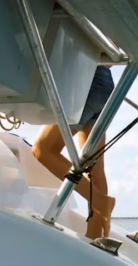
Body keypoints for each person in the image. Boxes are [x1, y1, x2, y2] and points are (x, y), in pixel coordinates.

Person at [32, 65, 116, 240]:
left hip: (85, 81)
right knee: (94, 167)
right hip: (104, 83)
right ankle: (94, 235)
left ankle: (101, 202)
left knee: (43, 149)